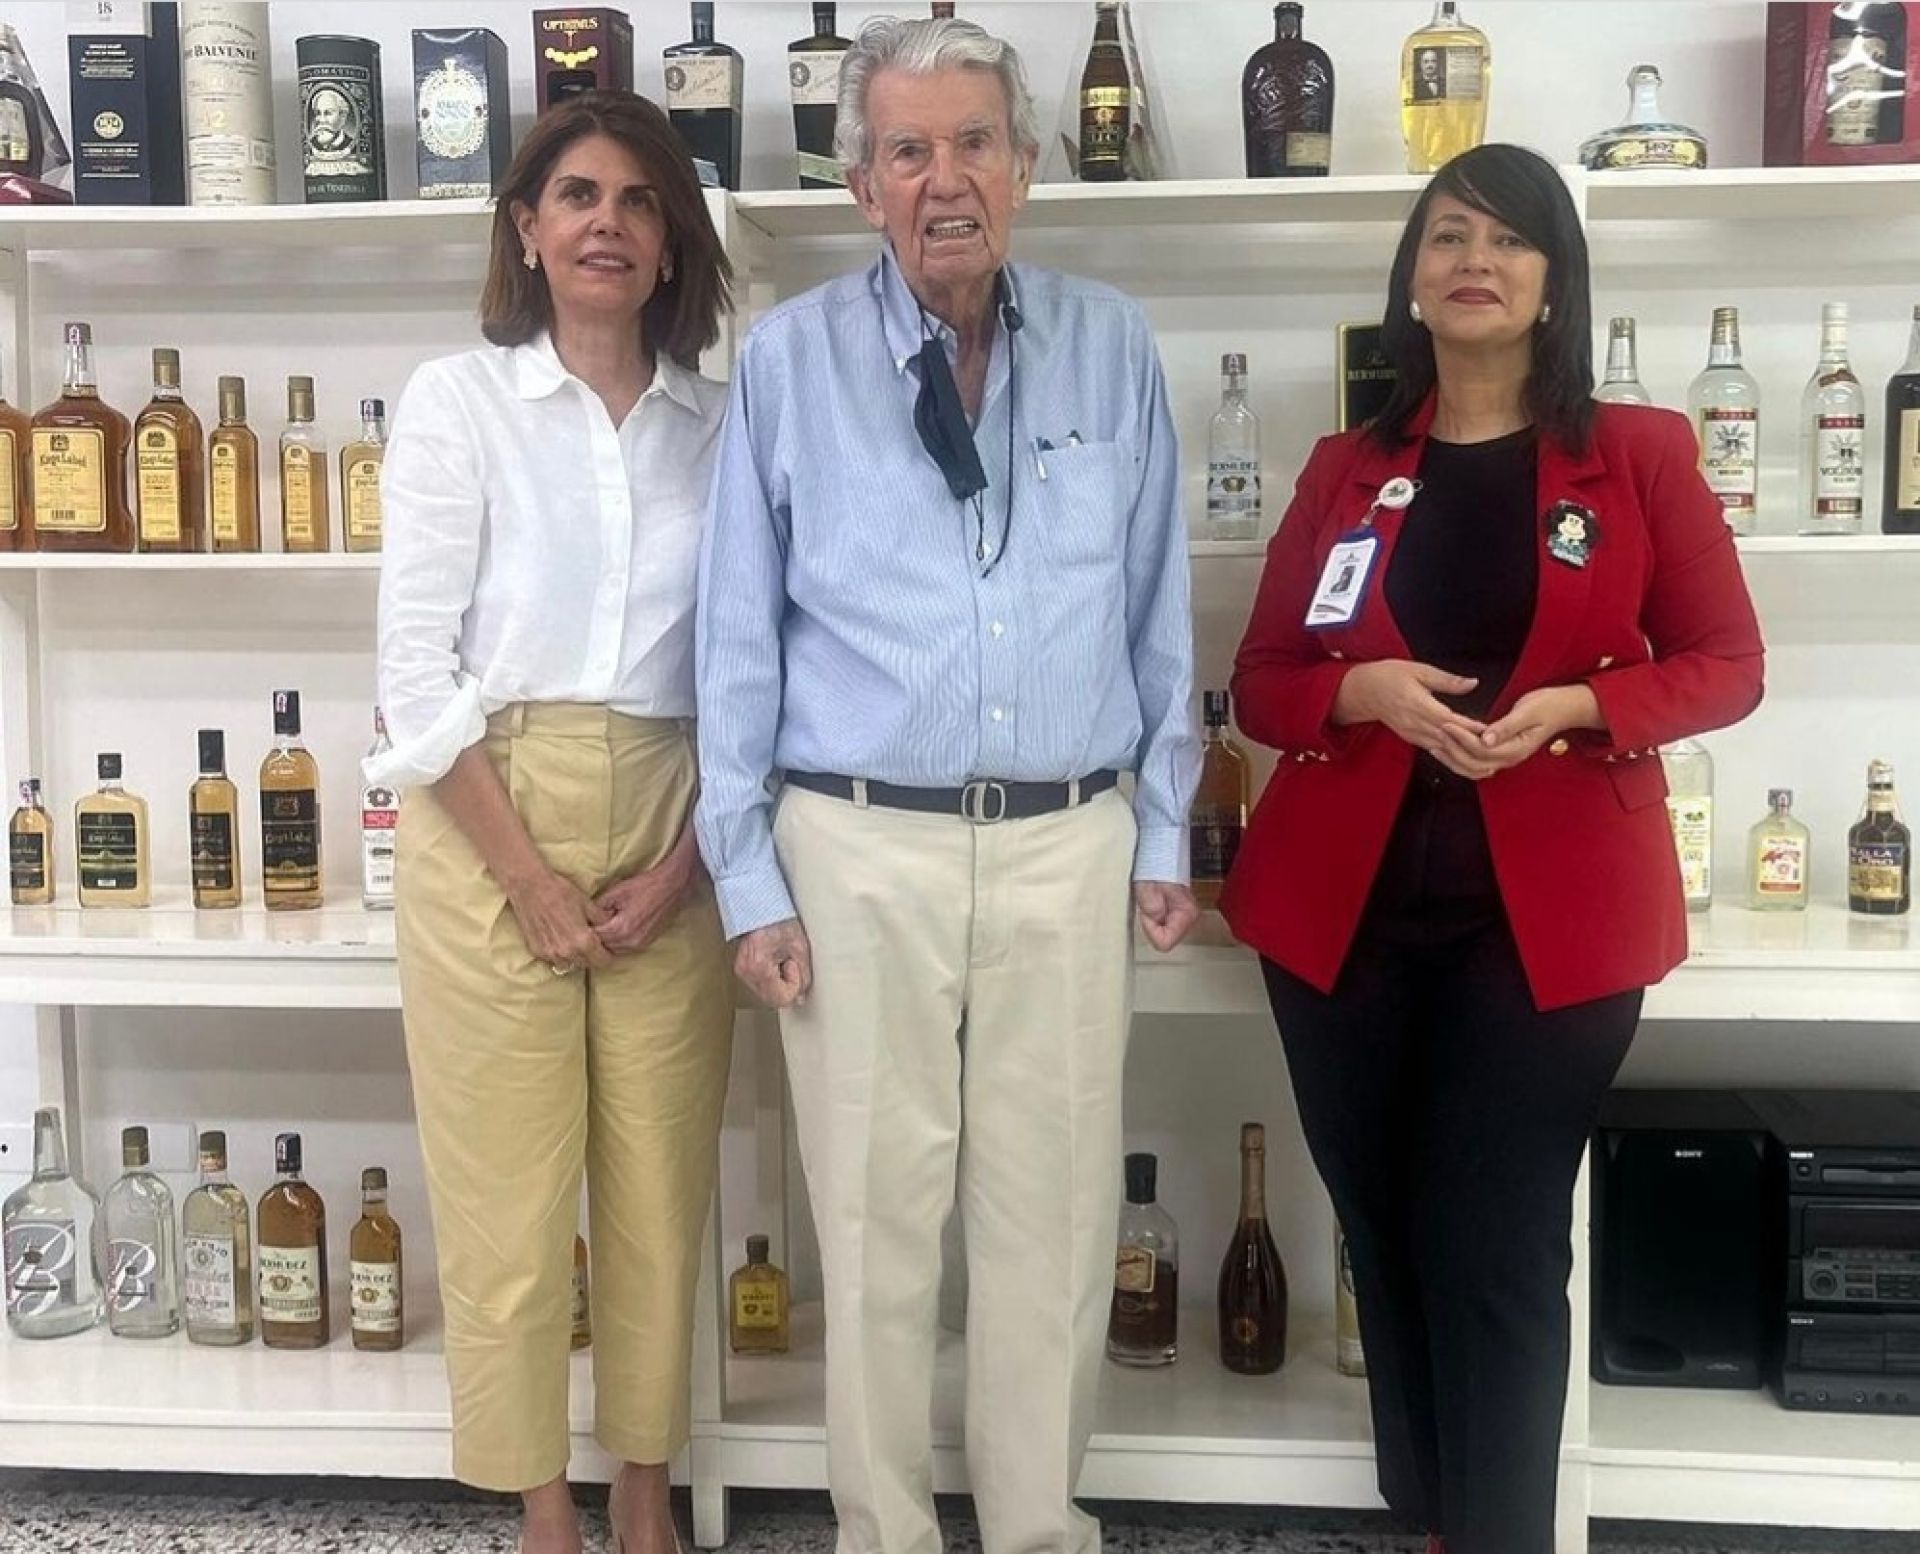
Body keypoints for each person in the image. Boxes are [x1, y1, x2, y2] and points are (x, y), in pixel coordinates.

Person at [695, 16, 1199, 1554]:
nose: (945, 179)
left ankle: (1039, 1524)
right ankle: (887, 1530)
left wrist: (1162, 828)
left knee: (1056, 1219)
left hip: (1066, 838)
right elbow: (734, 636)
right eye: (907, 150)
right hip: (855, 845)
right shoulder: (787, 363)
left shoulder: (1112, 345)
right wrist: (747, 875)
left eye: (974, 142)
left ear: (1026, 166)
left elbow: (1159, 606)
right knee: (873, 1217)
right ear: (862, 186)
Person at [1219, 144, 1764, 1554]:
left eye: (1511, 240)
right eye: (1450, 234)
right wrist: (1360, 689)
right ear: (1412, 276)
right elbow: (1265, 680)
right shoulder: (1348, 468)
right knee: (1385, 1224)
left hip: (1547, 925)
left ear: (1553, 283)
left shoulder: (1639, 453)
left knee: (1499, 1240)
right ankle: (1433, 1517)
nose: (1478, 260)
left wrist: (1580, 707)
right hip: (1344, 918)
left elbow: (1727, 665)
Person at [371, 93, 735, 1554]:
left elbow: (756, 666)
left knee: (659, 1186)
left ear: (672, 242)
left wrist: (691, 863)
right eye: (577, 195)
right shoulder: (459, 402)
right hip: (487, 817)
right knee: (509, 1199)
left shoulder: (724, 424)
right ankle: (542, 1505)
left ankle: (643, 1485)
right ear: (526, 227)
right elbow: (413, 671)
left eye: (639, 201)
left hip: (673, 811)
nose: (607, 224)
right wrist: (522, 875)